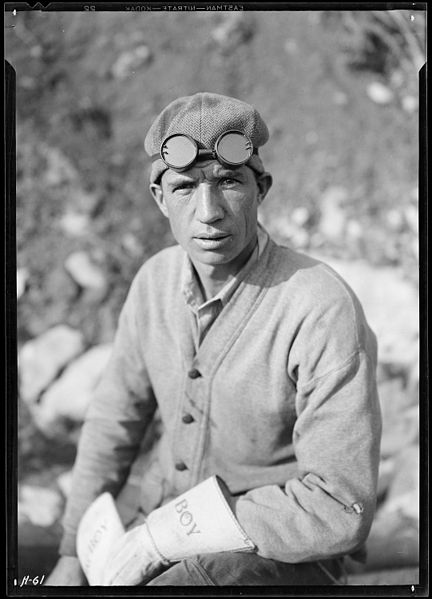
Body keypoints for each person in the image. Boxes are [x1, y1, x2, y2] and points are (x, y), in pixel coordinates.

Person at [45, 92, 382, 587]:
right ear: (160, 199)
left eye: (228, 182)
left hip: (275, 558)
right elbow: (113, 421)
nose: (208, 212)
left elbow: (340, 506)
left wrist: (164, 539)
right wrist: (73, 550)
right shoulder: (154, 283)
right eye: (185, 188)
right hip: (153, 534)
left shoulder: (318, 305)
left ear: (261, 188)